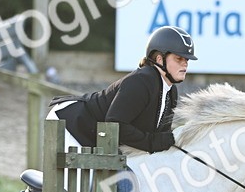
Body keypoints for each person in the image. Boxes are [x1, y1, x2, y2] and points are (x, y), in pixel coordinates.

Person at [46, 25, 197, 154]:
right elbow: (115, 124)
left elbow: (160, 136)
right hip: (71, 122)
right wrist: (152, 142)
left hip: (95, 135)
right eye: (179, 59)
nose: (185, 64)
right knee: (85, 179)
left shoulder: (171, 92)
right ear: (159, 59)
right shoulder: (141, 82)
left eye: (186, 60)